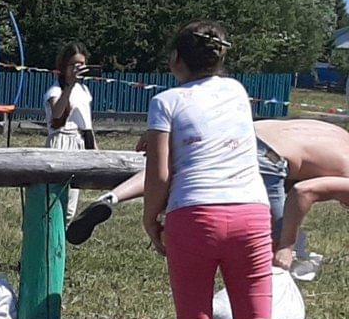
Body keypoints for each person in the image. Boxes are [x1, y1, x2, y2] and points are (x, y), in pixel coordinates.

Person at [143, 23, 310, 319]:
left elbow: (160, 175)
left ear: (177, 60)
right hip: (250, 216)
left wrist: (149, 218)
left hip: (192, 215)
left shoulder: (165, 102)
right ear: (219, 58)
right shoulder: (237, 91)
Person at [69, 117, 349, 262]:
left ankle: (112, 197)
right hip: (267, 158)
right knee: (271, 256)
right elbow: (305, 192)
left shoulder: (337, 134)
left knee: (179, 170)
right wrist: (287, 243)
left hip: (238, 131)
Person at [45, 42, 96, 221]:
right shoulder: (56, 90)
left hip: (79, 141)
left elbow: (86, 123)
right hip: (61, 141)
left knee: (71, 204)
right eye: (73, 64)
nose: (77, 68)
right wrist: (69, 86)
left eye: (81, 64)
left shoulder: (84, 90)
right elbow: (57, 114)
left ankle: (62, 241)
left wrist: (93, 148)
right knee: (54, 198)